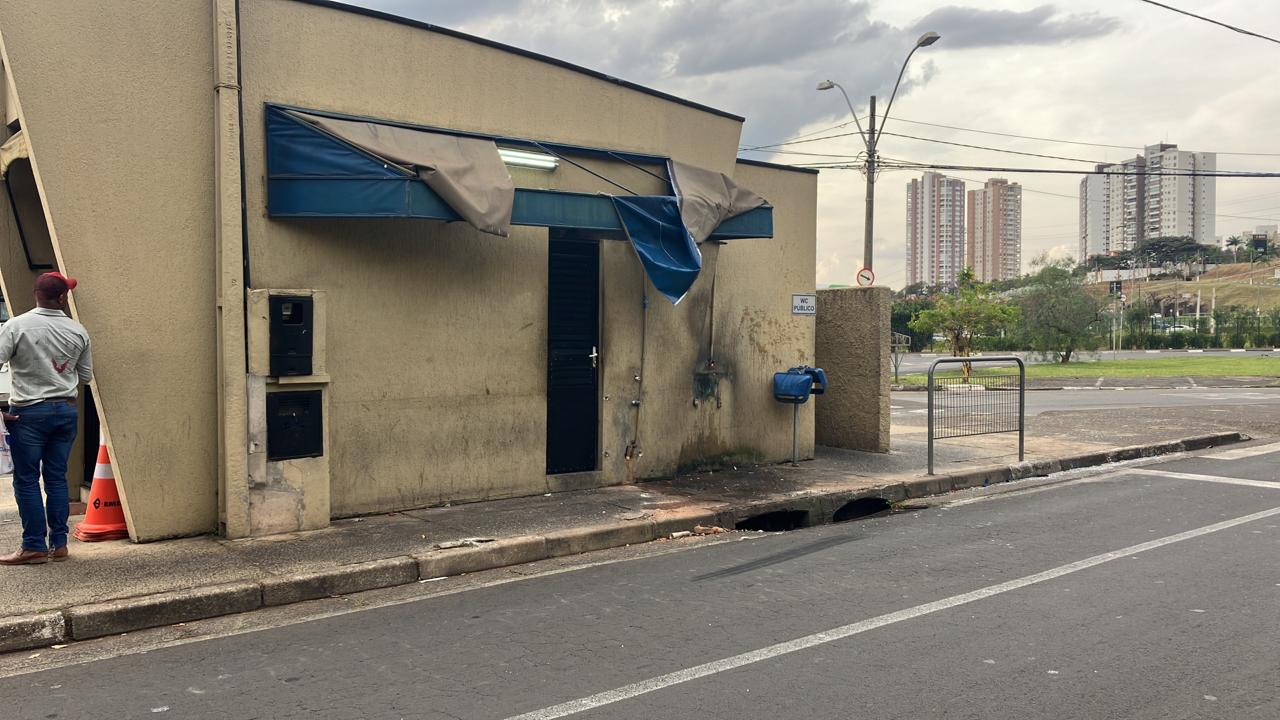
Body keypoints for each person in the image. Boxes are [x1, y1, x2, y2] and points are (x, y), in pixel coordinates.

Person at [0, 272, 92, 565]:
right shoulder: (78, 331)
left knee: (27, 480)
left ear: (35, 294)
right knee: (56, 477)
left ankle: (33, 546)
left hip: (27, 413)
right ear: (62, 297)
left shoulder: (16, 326)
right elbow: (86, 376)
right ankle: (60, 544)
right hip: (66, 410)